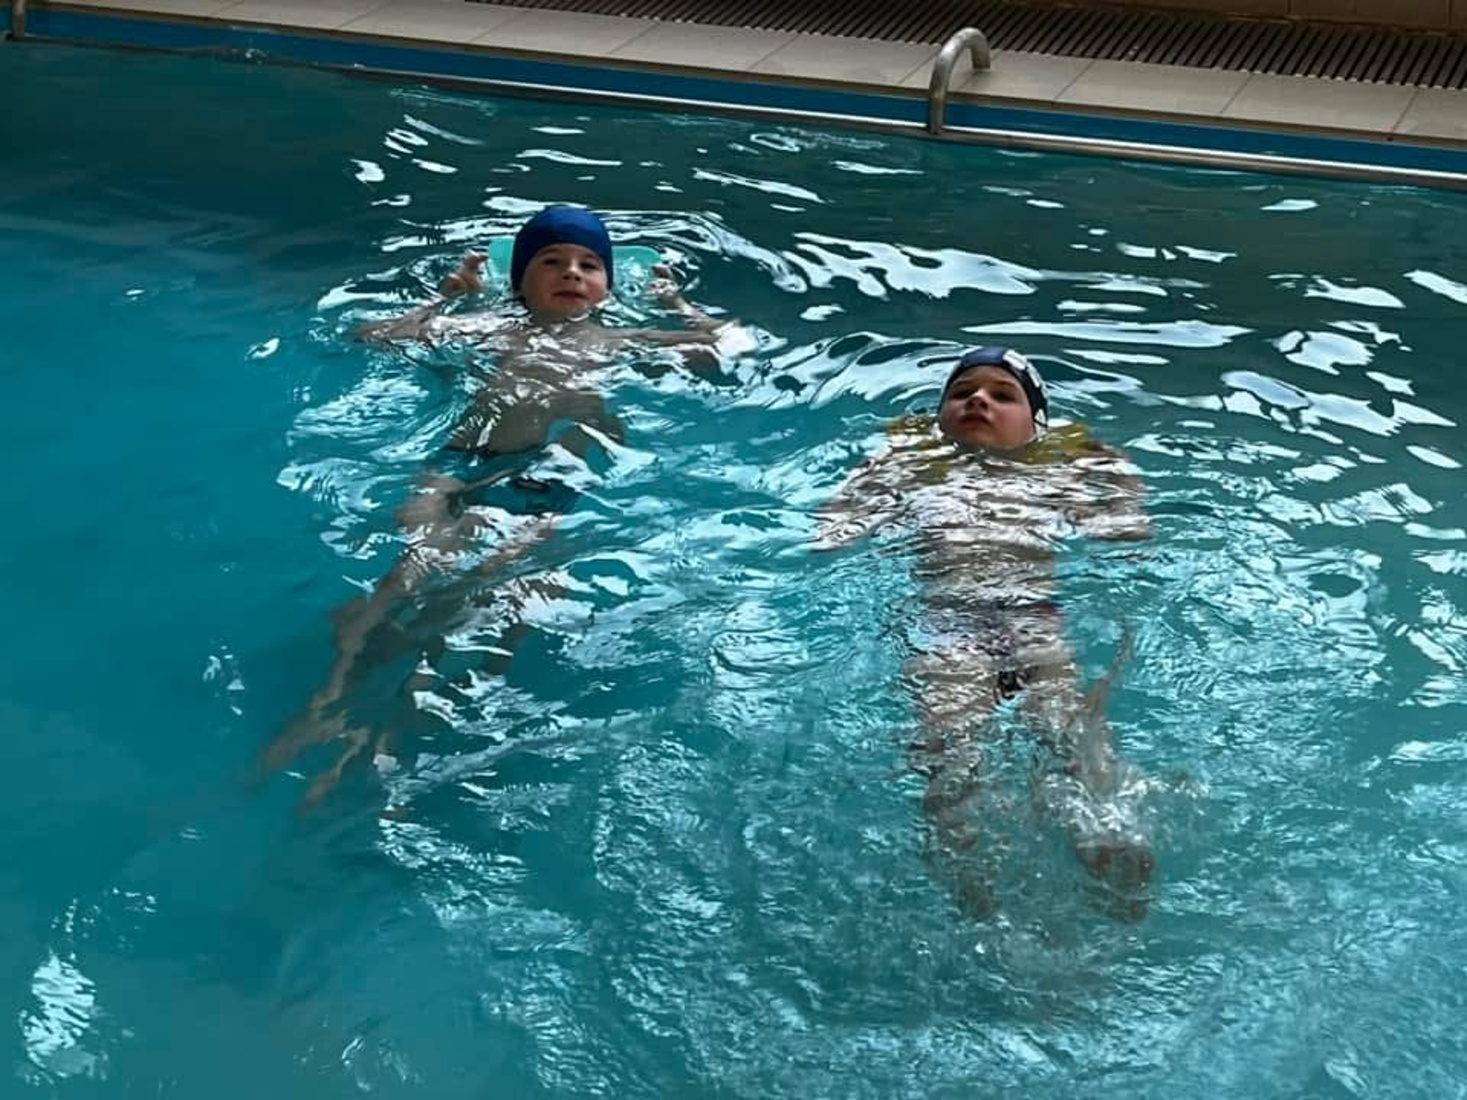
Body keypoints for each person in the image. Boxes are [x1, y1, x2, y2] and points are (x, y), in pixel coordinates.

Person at [264, 204, 736, 806]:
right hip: (459, 467)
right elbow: (373, 336)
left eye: (589, 264)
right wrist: (447, 298)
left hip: (546, 478)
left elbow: (724, 348)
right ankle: (328, 700)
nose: (571, 272)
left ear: (609, 286)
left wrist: (674, 304)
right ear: (519, 282)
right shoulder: (491, 328)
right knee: (407, 571)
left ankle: (390, 731)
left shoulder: (617, 340)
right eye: (552, 261)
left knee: (493, 594)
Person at [812, 345, 1156, 920]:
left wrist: (1119, 479)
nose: (978, 400)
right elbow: (833, 532)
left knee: (1068, 726)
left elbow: (1125, 536)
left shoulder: (1054, 474)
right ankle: (972, 872)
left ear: (1035, 424)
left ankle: (1107, 837)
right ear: (939, 417)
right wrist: (874, 475)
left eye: (1002, 395)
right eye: (962, 392)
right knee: (948, 747)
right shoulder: (914, 473)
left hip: (1033, 619)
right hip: (949, 627)